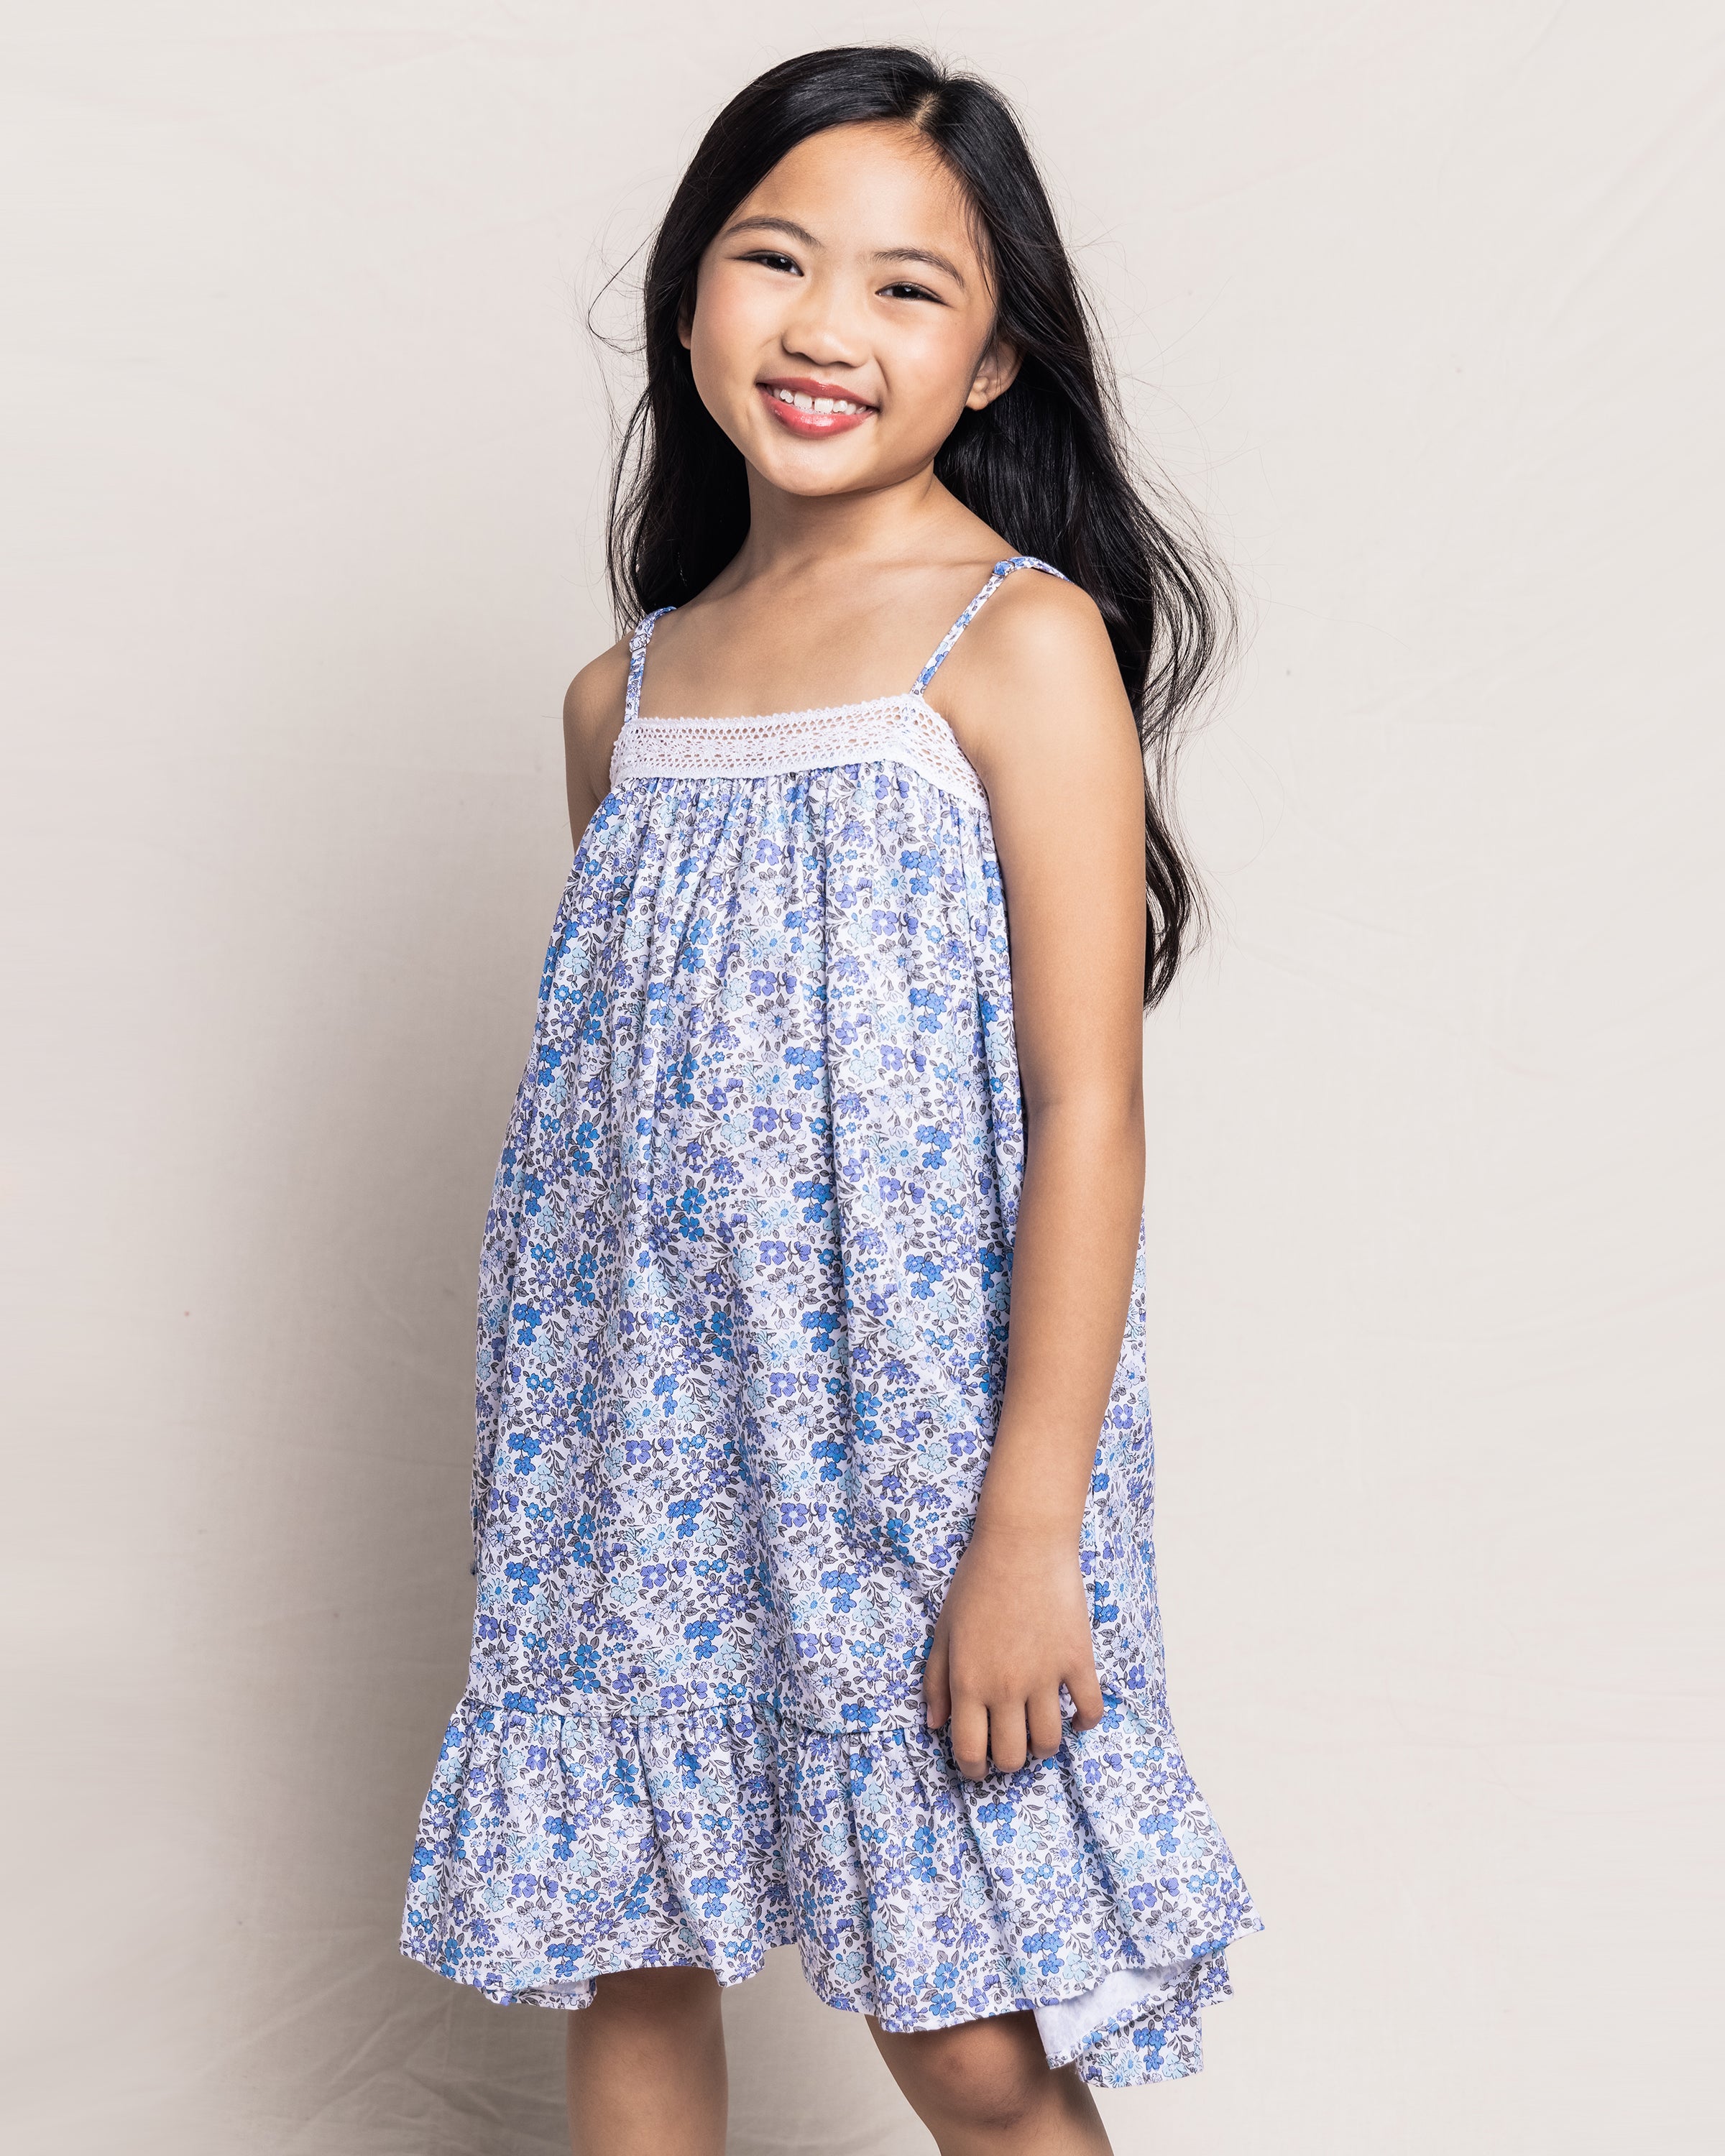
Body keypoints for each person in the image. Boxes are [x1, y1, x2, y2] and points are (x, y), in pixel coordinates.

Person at [402, 45, 1259, 2156]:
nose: (824, 326)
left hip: (904, 1450)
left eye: (905, 288)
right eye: (777, 260)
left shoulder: (1015, 642)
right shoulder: (630, 689)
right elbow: (624, 1119)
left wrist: (1028, 1524)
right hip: (633, 1440)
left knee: (969, 2038)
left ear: (989, 366)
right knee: (633, 1947)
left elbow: (1086, 1109)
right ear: (694, 296)